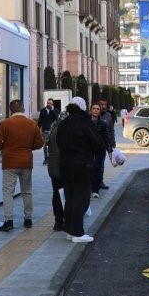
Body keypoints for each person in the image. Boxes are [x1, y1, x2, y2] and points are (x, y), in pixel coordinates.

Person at [55, 96, 104, 243]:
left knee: (70, 199)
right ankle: (77, 232)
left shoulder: (63, 124)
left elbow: (58, 143)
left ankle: (69, 230)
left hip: (65, 166)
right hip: (82, 166)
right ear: (83, 107)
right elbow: (98, 144)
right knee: (80, 199)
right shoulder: (85, 123)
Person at [0, 98, 44, 232]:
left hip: (9, 162)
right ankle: (28, 219)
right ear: (23, 109)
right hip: (26, 161)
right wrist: (28, 147)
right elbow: (39, 143)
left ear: (10, 110)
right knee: (27, 191)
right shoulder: (31, 124)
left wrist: (4, 148)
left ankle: (8, 220)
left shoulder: (5, 123)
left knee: (8, 192)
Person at [89, 102, 115, 194]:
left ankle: (95, 190)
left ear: (99, 111)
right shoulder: (86, 122)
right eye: (94, 109)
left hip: (100, 150)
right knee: (89, 169)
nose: (96, 110)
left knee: (98, 169)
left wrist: (110, 151)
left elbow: (106, 138)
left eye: (97, 109)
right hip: (88, 150)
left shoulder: (102, 124)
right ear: (90, 110)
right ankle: (89, 187)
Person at [37, 98, 59, 165]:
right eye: (48, 103)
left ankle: (51, 158)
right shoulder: (43, 110)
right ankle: (46, 158)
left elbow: (57, 118)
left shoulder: (55, 110)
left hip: (53, 131)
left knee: (52, 145)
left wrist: (52, 110)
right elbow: (40, 121)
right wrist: (37, 129)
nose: (49, 104)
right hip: (45, 131)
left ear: (53, 104)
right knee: (45, 145)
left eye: (50, 103)